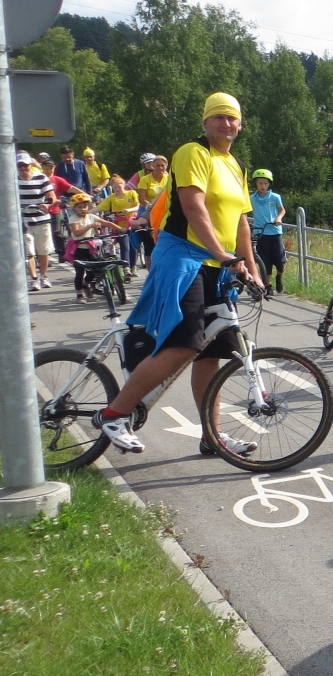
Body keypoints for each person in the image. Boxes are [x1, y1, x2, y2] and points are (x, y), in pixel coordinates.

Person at [94, 92, 262, 457]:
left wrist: (246, 263)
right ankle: (114, 413)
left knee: (210, 353)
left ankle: (211, 436)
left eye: (232, 118)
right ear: (205, 122)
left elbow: (241, 221)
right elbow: (192, 205)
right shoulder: (192, 152)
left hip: (215, 265)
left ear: (240, 124)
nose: (226, 123)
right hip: (184, 257)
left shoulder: (235, 164)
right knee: (183, 343)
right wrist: (219, 250)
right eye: (218, 117)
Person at [65, 191, 120, 301]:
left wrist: (120, 229)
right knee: (80, 272)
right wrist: (91, 226)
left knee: (97, 269)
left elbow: (106, 223)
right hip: (79, 249)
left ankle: (86, 284)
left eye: (85, 206)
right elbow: (76, 233)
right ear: (74, 209)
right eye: (79, 207)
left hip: (90, 248)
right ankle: (79, 294)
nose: (83, 209)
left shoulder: (91, 216)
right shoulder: (74, 219)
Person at [16, 152, 56, 290]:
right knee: (29, 252)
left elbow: (51, 196)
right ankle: (34, 279)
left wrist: (47, 204)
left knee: (43, 251)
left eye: (25, 165)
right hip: (23, 221)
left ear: (30, 165)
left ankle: (44, 276)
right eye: (20, 165)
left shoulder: (41, 177)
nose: (23, 168)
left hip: (41, 219)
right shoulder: (13, 179)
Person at [249, 168, 288, 293]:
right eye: (260, 183)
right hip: (260, 232)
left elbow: (282, 210)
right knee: (265, 261)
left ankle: (279, 276)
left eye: (265, 183)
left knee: (280, 261)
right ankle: (268, 285)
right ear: (256, 183)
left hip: (274, 231)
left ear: (269, 184)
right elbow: (244, 211)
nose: (263, 186)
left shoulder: (275, 197)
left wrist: (278, 218)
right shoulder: (251, 198)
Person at [98, 174, 141, 275]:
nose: (117, 189)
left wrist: (129, 210)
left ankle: (133, 267)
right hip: (120, 226)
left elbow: (138, 206)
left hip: (132, 223)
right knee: (124, 246)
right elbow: (100, 207)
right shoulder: (111, 197)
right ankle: (126, 268)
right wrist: (87, 213)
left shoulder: (131, 193)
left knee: (133, 246)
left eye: (119, 186)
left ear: (124, 185)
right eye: (114, 187)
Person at [133, 154, 170, 268]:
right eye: (157, 165)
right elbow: (142, 199)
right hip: (148, 209)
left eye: (162, 166)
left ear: (166, 166)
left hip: (165, 211)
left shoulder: (169, 178)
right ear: (153, 166)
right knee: (147, 242)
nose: (160, 168)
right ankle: (149, 267)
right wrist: (151, 208)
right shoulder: (145, 179)